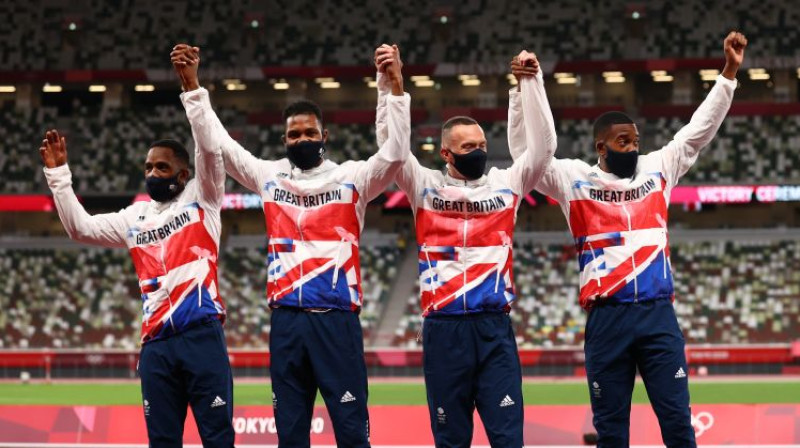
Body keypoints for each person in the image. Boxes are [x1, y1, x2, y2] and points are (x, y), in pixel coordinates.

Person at [508, 32, 748, 447]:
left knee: (677, 424)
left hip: (658, 317)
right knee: (612, 431)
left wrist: (728, 74)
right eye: (623, 142)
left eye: (635, 141)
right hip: (608, 321)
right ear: (600, 147)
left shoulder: (658, 169)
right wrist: (522, 92)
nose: (633, 148)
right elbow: (524, 158)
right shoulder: (573, 180)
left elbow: (698, 132)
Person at [171, 43, 410, 447]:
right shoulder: (268, 176)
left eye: (309, 133)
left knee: (352, 433)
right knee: (291, 435)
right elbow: (219, 144)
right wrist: (192, 87)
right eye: (294, 134)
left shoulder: (352, 177)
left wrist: (391, 87)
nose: (302, 139)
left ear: (325, 136)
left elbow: (395, 154)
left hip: (337, 320)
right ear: (283, 139)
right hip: (287, 323)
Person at [39, 54, 235, 447]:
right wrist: (59, 176)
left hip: (202, 338)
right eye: (148, 167)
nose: (151, 174)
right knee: (162, 442)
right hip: (157, 346)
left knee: (217, 438)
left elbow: (209, 151)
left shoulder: (203, 197)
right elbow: (79, 228)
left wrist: (191, 89)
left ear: (183, 175)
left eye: (161, 168)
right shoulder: (134, 218)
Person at [375, 45, 556, 447]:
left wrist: (529, 84)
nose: (479, 152)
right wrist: (391, 86)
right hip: (444, 332)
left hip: (494, 330)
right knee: (451, 440)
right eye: (468, 147)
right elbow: (391, 149)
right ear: (445, 153)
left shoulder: (505, 184)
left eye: (481, 144)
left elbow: (543, 150)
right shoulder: (424, 186)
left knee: (509, 440)